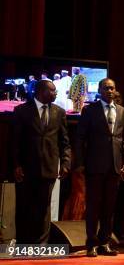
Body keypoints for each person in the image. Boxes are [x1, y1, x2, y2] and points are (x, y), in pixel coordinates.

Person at [75, 78, 124, 257]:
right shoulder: (90, 110)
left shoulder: (122, 111)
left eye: (112, 88)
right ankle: (91, 244)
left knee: (109, 207)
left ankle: (104, 243)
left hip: (114, 166)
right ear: (99, 90)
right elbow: (80, 138)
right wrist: (81, 163)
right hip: (95, 166)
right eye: (106, 88)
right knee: (93, 207)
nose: (110, 91)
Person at [12, 80, 71, 243]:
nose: (56, 93)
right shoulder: (21, 111)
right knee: (24, 207)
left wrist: (66, 163)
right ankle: (23, 245)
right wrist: (16, 164)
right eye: (52, 91)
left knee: (44, 209)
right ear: (41, 91)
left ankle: (41, 246)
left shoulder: (59, 112)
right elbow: (15, 141)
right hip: (26, 169)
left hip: (49, 168)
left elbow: (64, 141)